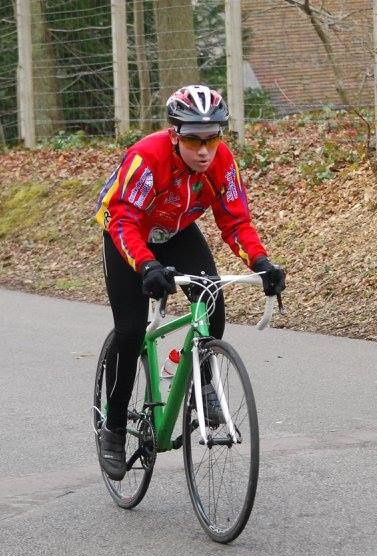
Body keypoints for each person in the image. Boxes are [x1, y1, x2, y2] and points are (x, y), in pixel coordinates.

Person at [93, 84, 285, 481]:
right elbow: (124, 221)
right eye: (194, 140)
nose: (204, 150)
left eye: (212, 139)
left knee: (211, 298)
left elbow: (235, 221)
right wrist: (146, 266)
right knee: (130, 333)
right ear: (175, 134)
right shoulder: (148, 158)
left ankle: (204, 386)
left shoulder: (220, 163)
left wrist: (261, 261)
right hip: (128, 232)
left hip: (177, 231)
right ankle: (113, 428)